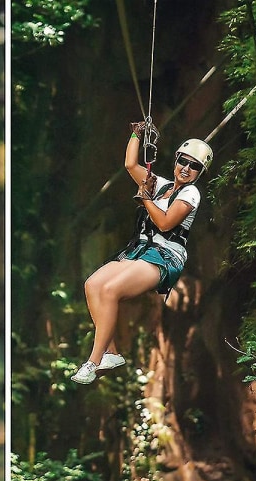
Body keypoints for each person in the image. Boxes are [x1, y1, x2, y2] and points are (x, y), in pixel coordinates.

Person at [71, 123, 213, 384]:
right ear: (177, 160)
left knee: (111, 291)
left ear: (199, 172)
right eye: (183, 161)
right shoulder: (159, 184)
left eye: (193, 166)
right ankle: (111, 352)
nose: (186, 168)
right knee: (93, 285)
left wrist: (145, 198)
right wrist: (138, 133)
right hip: (141, 249)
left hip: (166, 255)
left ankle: (92, 361)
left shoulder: (191, 193)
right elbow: (130, 164)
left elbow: (165, 223)